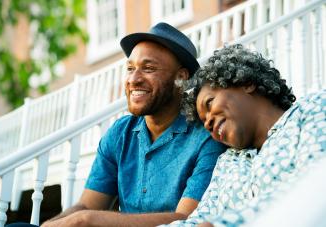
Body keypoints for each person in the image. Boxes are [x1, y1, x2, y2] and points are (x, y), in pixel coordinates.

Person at [33, 23, 225, 227]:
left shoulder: (206, 137)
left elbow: (186, 220)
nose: (133, 79)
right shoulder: (119, 133)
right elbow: (86, 205)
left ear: (181, 77)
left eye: (148, 68)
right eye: (130, 68)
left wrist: (86, 220)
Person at [165, 44, 326, 226]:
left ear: (246, 83)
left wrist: (225, 224)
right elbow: (198, 220)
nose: (208, 123)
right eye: (204, 122)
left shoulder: (313, 108)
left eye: (209, 104)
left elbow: (312, 186)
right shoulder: (227, 163)